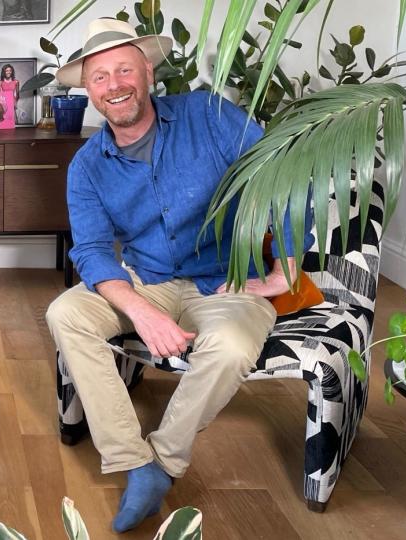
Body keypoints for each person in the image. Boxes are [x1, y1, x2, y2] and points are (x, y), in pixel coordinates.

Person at [45, 18, 312, 532]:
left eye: (124, 69)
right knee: (66, 313)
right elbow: (94, 250)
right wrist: (141, 311)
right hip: (147, 277)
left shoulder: (208, 115)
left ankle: (163, 463)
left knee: (232, 346)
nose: (114, 85)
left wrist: (288, 268)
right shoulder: (87, 166)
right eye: (99, 77)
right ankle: (131, 461)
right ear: (89, 91)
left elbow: (282, 174)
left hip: (228, 280)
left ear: (147, 71)